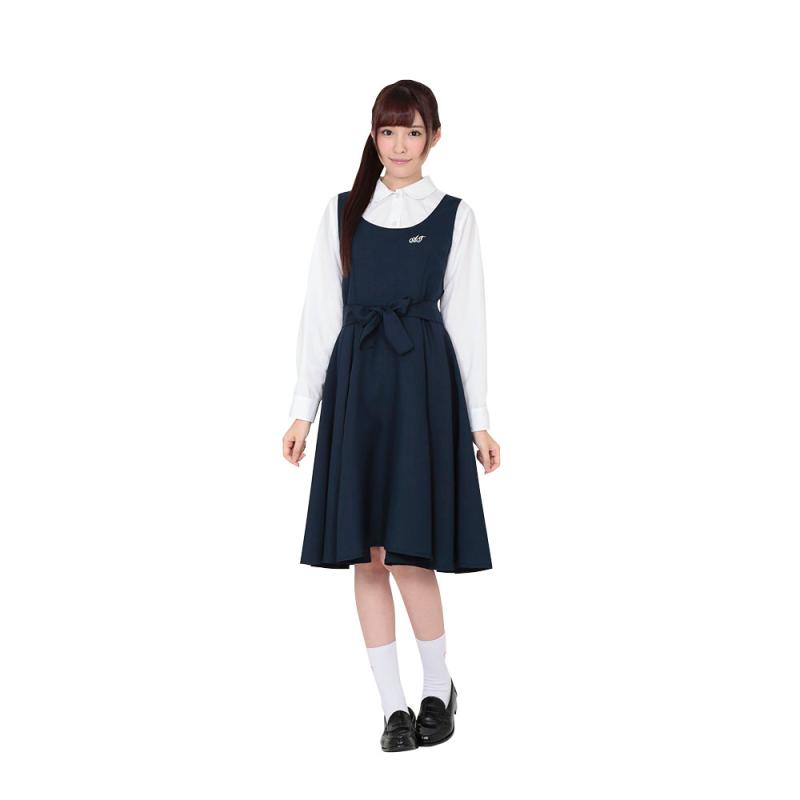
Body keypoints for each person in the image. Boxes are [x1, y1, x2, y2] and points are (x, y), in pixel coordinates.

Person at [282, 79, 501, 752]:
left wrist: (479, 419)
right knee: (368, 557)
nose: (400, 145)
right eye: (388, 131)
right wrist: (303, 410)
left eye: (412, 131)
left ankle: (438, 687)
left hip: (422, 392)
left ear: (433, 137)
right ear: (373, 137)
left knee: (408, 552)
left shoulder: (455, 216)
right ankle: (392, 707)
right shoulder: (342, 211)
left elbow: (467, 320)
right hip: (358, 388)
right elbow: (322, 313)